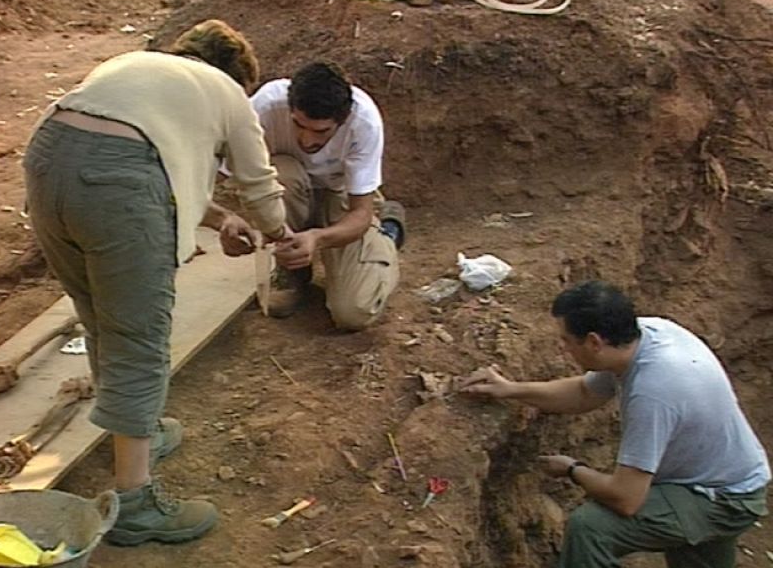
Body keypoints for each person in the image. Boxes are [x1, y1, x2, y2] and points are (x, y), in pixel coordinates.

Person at [23, 19, 289, 545]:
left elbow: (131, 154)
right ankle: (136, 504)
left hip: (47, 161)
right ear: (237, 77)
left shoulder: (133, 66)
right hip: (119, 186)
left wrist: (219, 218)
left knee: (99, 313)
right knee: (140, 340)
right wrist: (281, 234)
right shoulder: (229, 94)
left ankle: (129, 427)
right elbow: (257, 184)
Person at [461, 280, 770, 567]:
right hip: (725, 476)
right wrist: (510, 389)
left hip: (722, 498)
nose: (563, 349)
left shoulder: (653, 391)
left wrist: (573, 469)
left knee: (590, 528)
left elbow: (626, 499)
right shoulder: (649, 334)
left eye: (566, 341)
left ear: (593, 341)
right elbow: (584, 393)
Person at [248, 61, 405, 330]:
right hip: (291, 188)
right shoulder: (264, 106)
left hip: (340, 193)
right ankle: (291, 271)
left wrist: (317, 238)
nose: (306, 140)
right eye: (298, 124)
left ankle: (389, 231)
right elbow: (241, 177)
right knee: (277, 175)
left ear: (342, 120)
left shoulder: (364, 122)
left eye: (320, 131)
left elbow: (360, 212)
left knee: (354, 312)